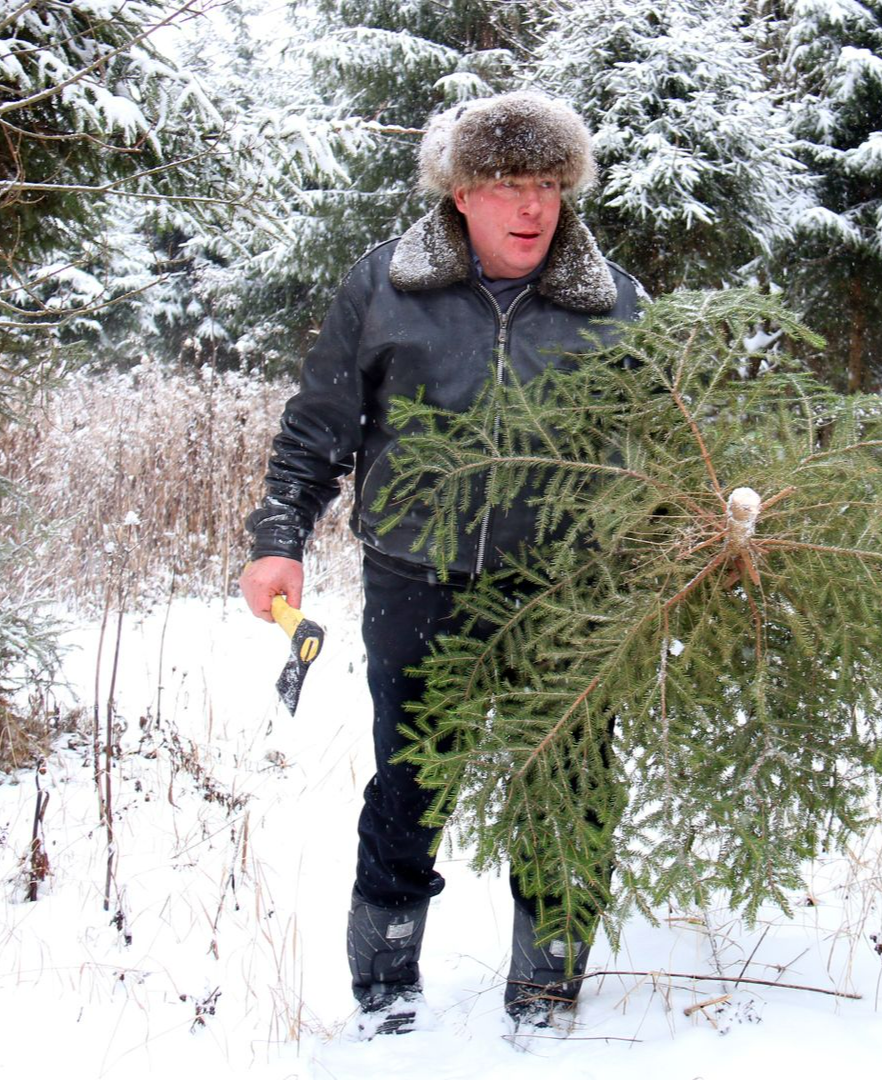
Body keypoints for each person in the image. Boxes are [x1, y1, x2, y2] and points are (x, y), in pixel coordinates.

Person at [238, 91, 645, 1036]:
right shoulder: (385, 287)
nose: (532, 208)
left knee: (570, 779)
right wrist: (276, 540)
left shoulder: (612, 300)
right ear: (460, 194)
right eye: (507, 185)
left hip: (567, 588)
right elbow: (320, 427)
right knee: (411, 781)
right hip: (418, 577)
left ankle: (546, 993)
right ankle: (384, 992)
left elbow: (659, 441)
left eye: (548, 184)